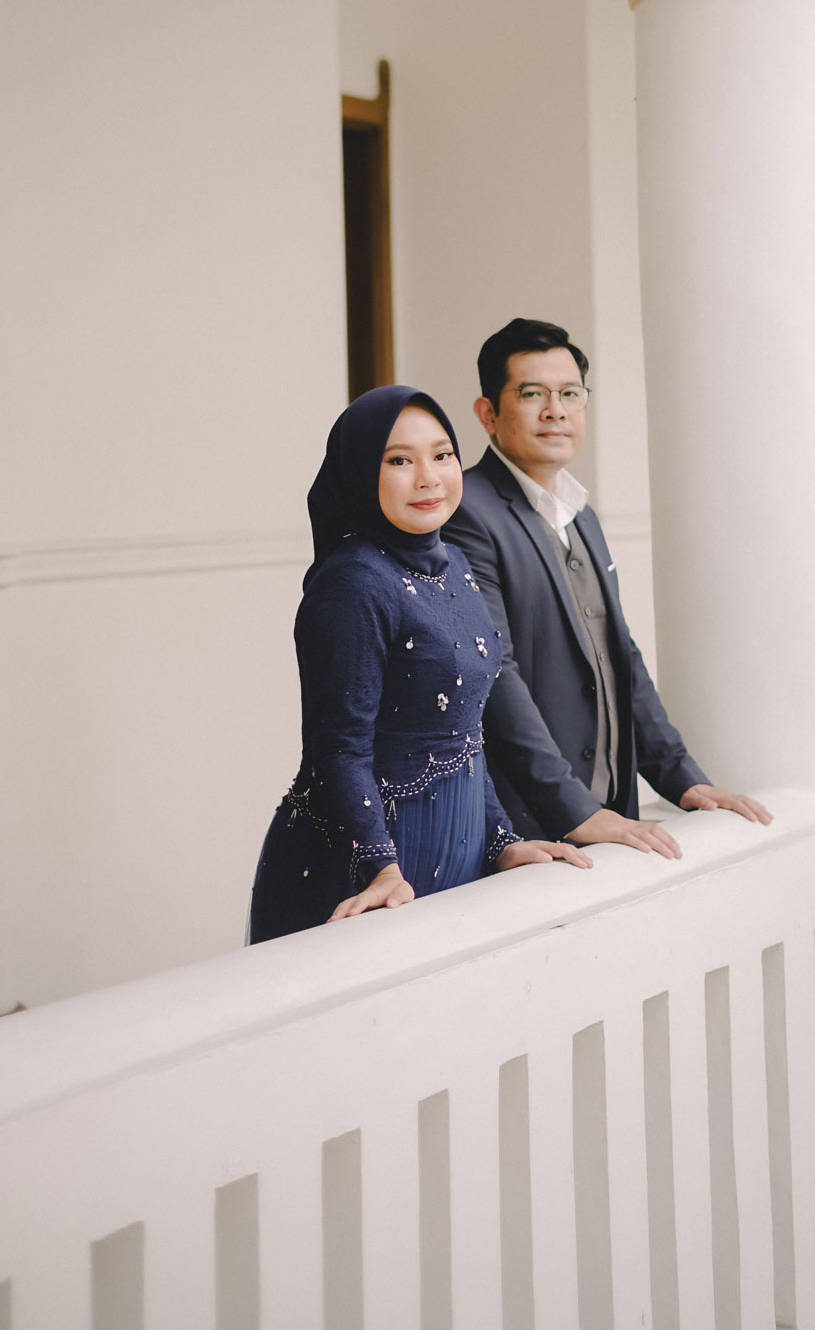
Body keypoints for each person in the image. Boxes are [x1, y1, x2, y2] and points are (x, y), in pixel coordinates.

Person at [249, 383, 590, 941]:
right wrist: (379, 865)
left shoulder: (455, 562)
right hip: (369, 872)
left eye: (442, 455)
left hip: (454, 848)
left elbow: (464, 731)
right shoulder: (353, 583)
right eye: (400, 461)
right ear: (361, 473)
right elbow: (339, 747)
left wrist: (501, 841)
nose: (429, 477)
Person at [448, 318, 772, 859]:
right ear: (488, 413)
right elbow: (496, 677)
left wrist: (682, 779)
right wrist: (575, 809)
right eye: (532, 394)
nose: (556, 410)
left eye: (570, 394)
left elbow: (620, 656)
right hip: (527, 824)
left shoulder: (581, 514)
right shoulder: (467, 513)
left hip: (612, 810)